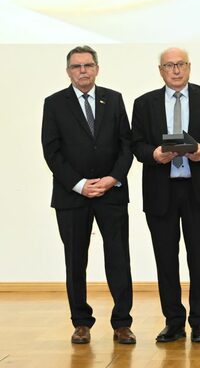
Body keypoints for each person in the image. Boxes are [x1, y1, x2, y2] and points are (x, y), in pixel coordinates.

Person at [131, 47, 200, 343]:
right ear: (160, 70)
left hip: (198, 190)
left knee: (199, 258)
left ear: (189, 67)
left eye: (181, 64)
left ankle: (199, 322)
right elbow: (136, 144)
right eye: (169, 65)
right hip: (161, 190)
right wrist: (154, 154)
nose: (176, 70)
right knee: (165, 259)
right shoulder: (144, 103)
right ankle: (173, 321)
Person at [41, 45, 136, 344]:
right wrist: (80, 184)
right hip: (72, 196)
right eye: (76, 66)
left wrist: (112, 178)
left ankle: (122, 323)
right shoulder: (54, 103)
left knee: (118, 258)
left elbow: (126, 145)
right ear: (68, 71)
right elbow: (51, 151)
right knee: (75, 260)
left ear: (97, 68)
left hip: (111, 193)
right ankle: (81, 322)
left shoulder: (114, 99)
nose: (82, 71)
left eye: (88, 65)